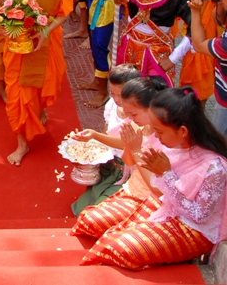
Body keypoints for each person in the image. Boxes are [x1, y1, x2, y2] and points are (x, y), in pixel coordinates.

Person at [78, 87, 227, 270]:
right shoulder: (175, 144)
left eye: (160, 132)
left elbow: (198, 216)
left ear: (182, 131)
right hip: (164, 205)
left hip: (197, 230)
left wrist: (166, 175)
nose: (156, 136)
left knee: (118, 248)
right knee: (99, 229)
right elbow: (153, 182)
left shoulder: (215, 167)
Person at [1, 0, 74, 165]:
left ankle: (40, 108)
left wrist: (45, 31)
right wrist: (6, 29)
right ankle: (22, 143)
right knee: (16, 94)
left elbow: (63, 14)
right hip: (18, 45)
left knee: (42, 85)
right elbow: (4, 10)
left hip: (46, 41)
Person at [71, 77, 168, 235]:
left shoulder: (165, 137)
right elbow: (128, 160)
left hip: (151, 197)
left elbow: (159, 190)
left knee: (91, 223)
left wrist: (136, 149)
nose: (130, 118)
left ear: (150, 108)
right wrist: (130, 146)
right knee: (85, 217)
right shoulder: (138, 125)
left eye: (133, 114)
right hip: (131, 189)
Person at [69, 64, 141, 215]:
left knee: (100, 212)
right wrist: (86, 149)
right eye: (112, 93)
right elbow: (106, 135)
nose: (115, 99)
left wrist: (94, 135)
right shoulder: (111, 105)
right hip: (110, 164)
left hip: (129, 170)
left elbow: (126, 144)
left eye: (120, 95)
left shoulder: (138, 115)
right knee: (83, 209)